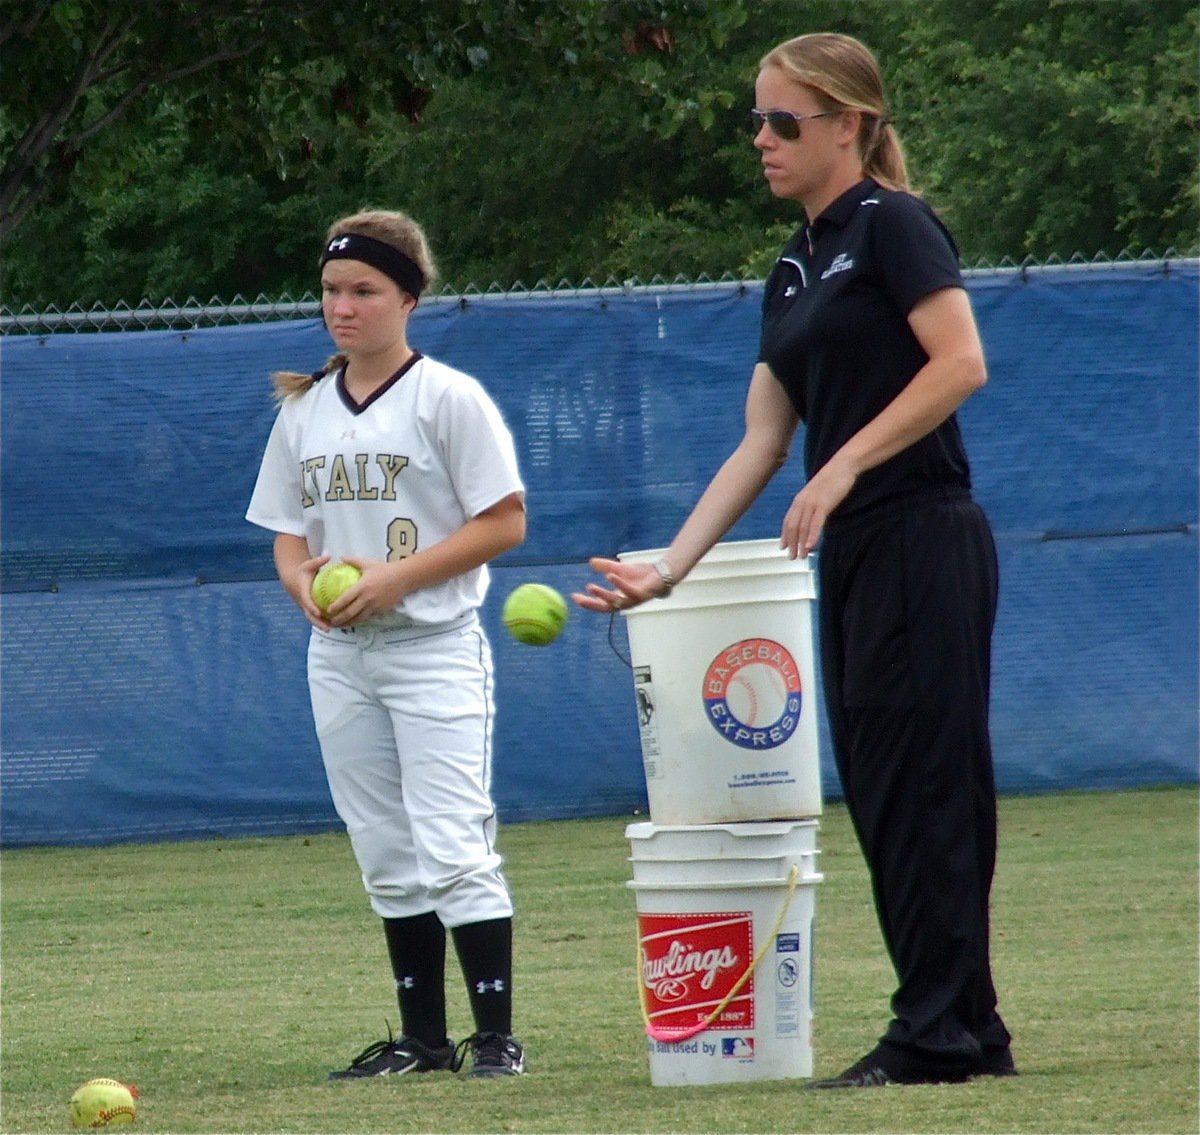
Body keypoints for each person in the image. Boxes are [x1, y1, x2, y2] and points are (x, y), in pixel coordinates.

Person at [573, 33, 1015, 1088]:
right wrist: (667, 571)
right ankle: (967, 1025)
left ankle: (938, 1033)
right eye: (757, 121)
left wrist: (846, 465)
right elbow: (763, 442)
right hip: (860, 547)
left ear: (850, 126)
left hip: (923, 530)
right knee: (881, 790)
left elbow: (962, 363)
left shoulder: (894, 226)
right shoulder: (793, 268)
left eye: (785, 121)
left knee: (929, 787)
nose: (762, 141)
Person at [246, 208, 529, 1079]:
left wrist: (395, 579)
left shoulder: (448, 398)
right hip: (341, 655)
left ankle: (495, 1040)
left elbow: (506, 522)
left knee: (451, 843)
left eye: (364, 290)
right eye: (332, 289)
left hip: (433, 645)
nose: (343, 306)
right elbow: (290, 537)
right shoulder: (303, 410)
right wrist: (304, 588)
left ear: (408, 297)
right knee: (383, 845)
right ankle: (424, 1040)